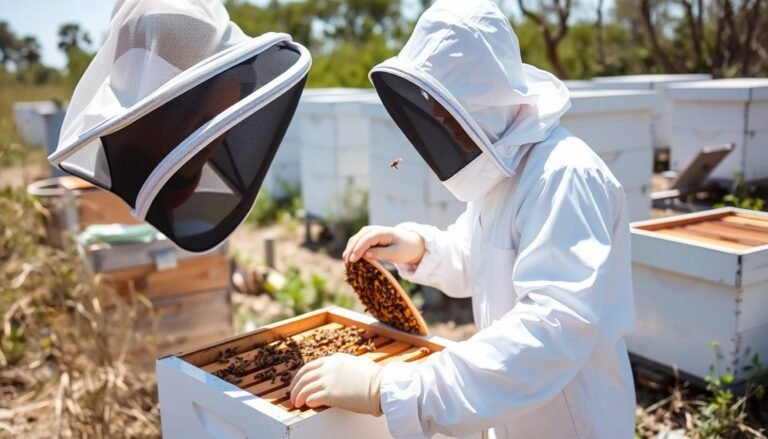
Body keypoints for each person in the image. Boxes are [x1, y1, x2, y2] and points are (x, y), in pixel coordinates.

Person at [288, 0, 637, 437]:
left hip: (571, 423)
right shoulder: (508, 169)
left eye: (445, 107)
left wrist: (390, 387)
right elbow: (483, 259)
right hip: (514, 414)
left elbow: (551, 332)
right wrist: (417, 246)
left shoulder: (563, 175)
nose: (437, 121)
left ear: (482, 98)